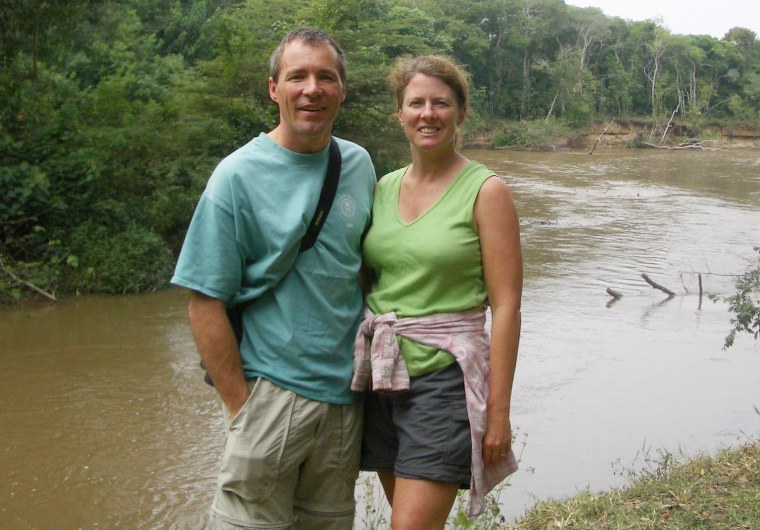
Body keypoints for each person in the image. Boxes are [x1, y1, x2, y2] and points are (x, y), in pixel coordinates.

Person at [171, 28, 375, 529]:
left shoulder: (358, 164)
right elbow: (204, 301)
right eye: (297, 76)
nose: (312, 89)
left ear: (342, 90)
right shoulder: (236, 177)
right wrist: (242, 411)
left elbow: (366, 271)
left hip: (345, 405)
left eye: (326, 77)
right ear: (273, 89)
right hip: (269, 396)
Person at [351, 55, 522, 529]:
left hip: (444, 379)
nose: (428, 113)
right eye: (416, 103)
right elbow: (369, 279)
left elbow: (506, 306)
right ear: (400, 114)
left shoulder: (486, 191)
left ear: (460, 113)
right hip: (383, 377)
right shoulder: (382, 187)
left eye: (441, 103)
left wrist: (499, 412)